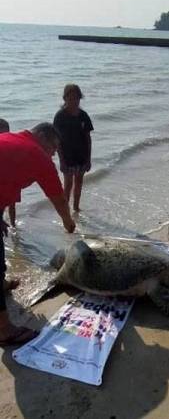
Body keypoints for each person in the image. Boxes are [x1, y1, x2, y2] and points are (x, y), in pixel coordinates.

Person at [0, 122, 76, 346]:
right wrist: (68, 222)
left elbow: (4, 177)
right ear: (42, 137)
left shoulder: (13, 140)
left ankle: (2, 283)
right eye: (53, 148)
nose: (53, 155)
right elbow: (58, 198)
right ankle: (3, 330)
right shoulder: (36, 154)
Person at [53, 84, 93, 212]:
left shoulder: (83, 115)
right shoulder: (60, 116)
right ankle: (66, 210)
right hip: (67, 156)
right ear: (65, 99)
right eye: (70, 98)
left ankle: (76, 207)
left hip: (82, 155)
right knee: (68, 184)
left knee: (79, 182)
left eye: (76, 98)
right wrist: (61, 160)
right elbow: (57, 140)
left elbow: (88, 138)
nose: (74, 101)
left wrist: (89, 159)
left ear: (80, 98)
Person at [0, 119, 16, 227]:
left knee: (12, 203)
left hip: (11, 177)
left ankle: (13, 225)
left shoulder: (12, 143)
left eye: (7, 132)